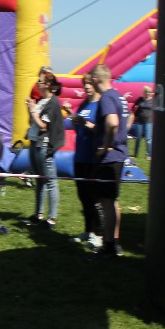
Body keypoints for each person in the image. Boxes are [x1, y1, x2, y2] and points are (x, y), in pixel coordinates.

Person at [88, 64, 128, 260]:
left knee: (106, 202)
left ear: (96, 80)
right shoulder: (118, 96)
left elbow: (113, 122)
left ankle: (109, 246)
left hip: (109, 159)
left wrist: (105, 146)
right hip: (118, 156)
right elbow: (126, 120)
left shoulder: (106, 98)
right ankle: (113, 242)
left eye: (90, 81)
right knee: (111, 201)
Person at [64, 73, 103, 250]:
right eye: (84, 84)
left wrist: (86, 123)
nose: (86, 87)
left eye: (89, 83)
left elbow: (102, 130)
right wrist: (72, 115)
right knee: (83, 197)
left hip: (93, 157)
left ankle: (99, 234)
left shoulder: (101, 104)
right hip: (79, 156)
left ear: (95, 84)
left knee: (94, 197)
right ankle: (88, 230)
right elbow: (76, 127)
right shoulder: (84, 104)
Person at [23, 66, 65, 229]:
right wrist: (30, 109)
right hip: (34, 142)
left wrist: (33, 111)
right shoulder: (41, 101)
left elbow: (43, 126)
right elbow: (33, 122)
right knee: (39, 179)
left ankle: (51, 219)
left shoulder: (52, 103)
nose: (37, 84)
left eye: (39, 81)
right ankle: (38, 215)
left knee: (50, 181)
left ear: (47, 85)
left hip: (44, 145)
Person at [129, 85, 154, 159]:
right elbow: (134, 107)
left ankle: (149, 155)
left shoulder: (153, 101)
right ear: (145, 92)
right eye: (148, 92)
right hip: (140, 121)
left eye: (150, 92)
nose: (149, 93)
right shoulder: (140, 99)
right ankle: (135, 154)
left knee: (148, 139)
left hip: (149, 121)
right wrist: (135, 115)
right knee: (138, 138)